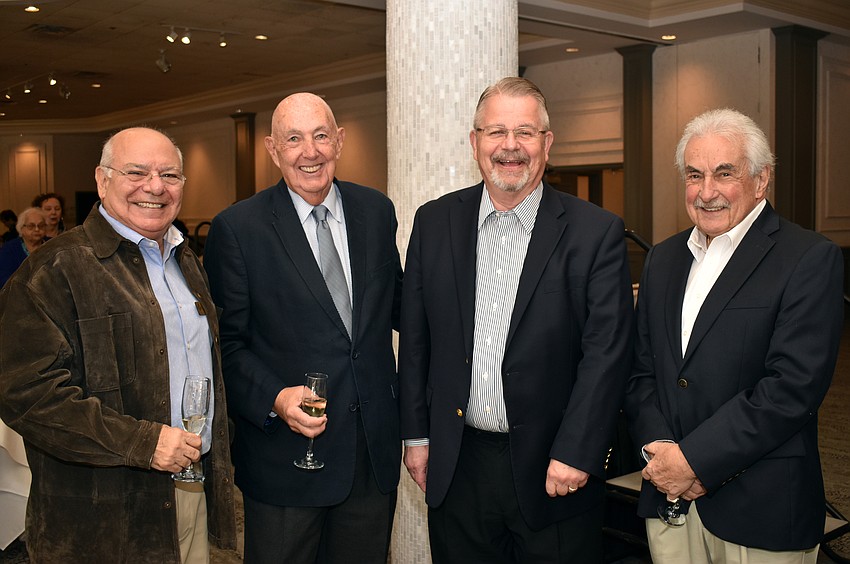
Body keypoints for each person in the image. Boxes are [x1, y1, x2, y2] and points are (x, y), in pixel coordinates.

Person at [398, 77, 634, 562]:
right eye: (496, 132)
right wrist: (417, 437)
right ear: (474, 142)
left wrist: (577, 450)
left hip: (555, 470)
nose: (510, 146)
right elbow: (417, 341)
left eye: (525, 132)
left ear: (547, 144)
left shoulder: (595, 232)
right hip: (457, 464)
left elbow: (607, 353)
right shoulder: (433, 222)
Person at [0, 127, 236, 563]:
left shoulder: (187, 264)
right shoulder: (53, 271)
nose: (155, 186)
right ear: (102, 179)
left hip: (189, 494)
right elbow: (26, 396)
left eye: (170, 174)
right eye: (136, 172)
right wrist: (143, 442)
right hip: (100, 522)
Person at [624, 108, 843, 564]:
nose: (707, 193)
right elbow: (641, 371)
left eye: (725, 174)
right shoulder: (663, 259)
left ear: (761, 180)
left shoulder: (808, 258)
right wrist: (660, 452)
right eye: (694, 175)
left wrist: (694, 462)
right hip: (669, 501)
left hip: (758, 505)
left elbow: (791, 389)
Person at [204, 92, 403, 564]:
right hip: (287, 460)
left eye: (320, 136)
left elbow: (399, 309)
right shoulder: (238, 228)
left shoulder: (376, 211)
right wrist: (275, 396)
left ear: (340, 141)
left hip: (369, 457)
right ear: (273, 150)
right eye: (293, 139)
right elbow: (225, 346)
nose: (309, 152)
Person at [0, 207, 47, 287]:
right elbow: (5, 281)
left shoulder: (52, 244)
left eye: (41, 225)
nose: (37, 229)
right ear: (21, 228)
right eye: (31, 226)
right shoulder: (9, 249)